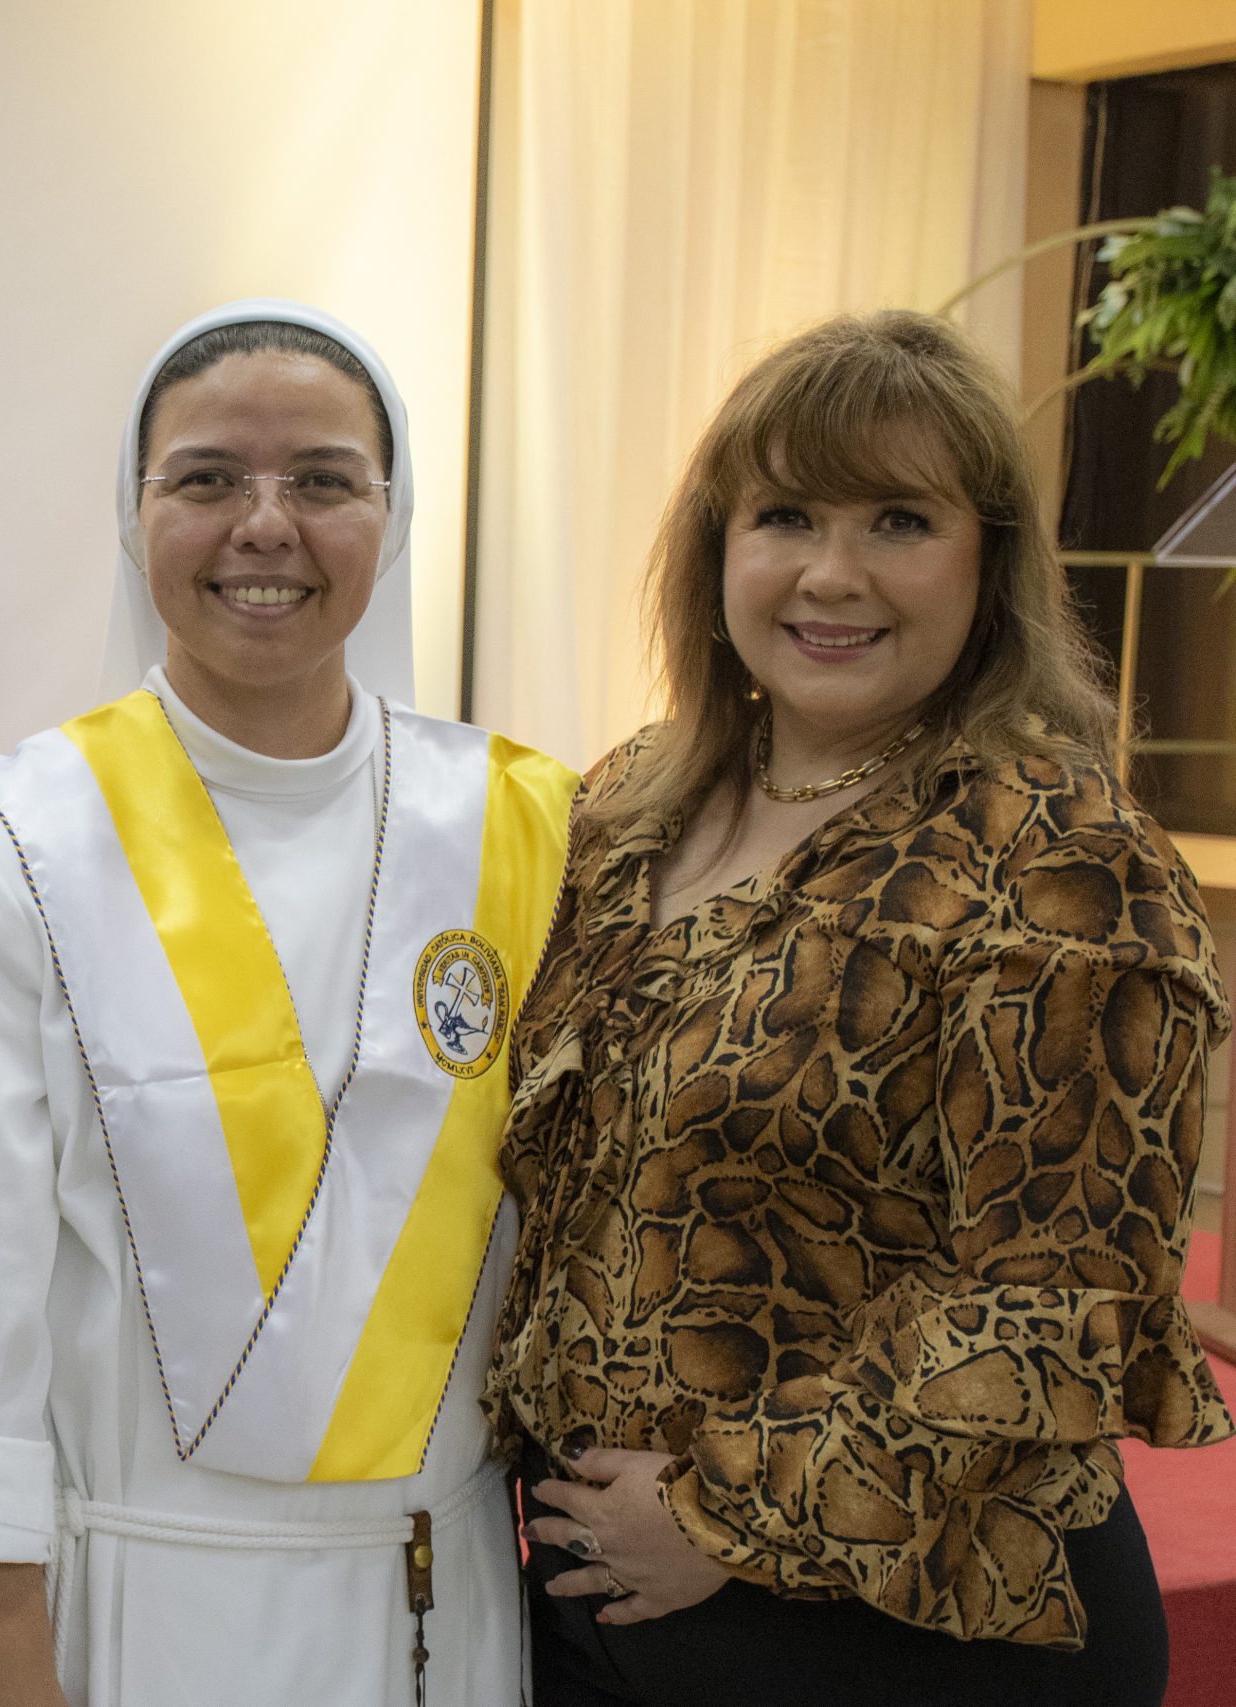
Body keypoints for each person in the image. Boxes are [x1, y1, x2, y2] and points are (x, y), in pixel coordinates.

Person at [486, 310, 1233, 1707]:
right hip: (601, 1604)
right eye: (785, 516)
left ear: (988, 565)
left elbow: (1051, 1304)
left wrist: (724, 1515)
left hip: (918, 1630)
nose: (833, 574)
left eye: (899, 520)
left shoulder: (1057, 854)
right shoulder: (629, 804)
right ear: (716, 549)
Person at [0, 300, 577, 1706]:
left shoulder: (526, 824)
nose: (265, 525)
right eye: (205, 479)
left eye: (322, 480)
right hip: (119, 1622)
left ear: (392, 513)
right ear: (133, 514)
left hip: (440, 1616)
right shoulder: (17, 838)